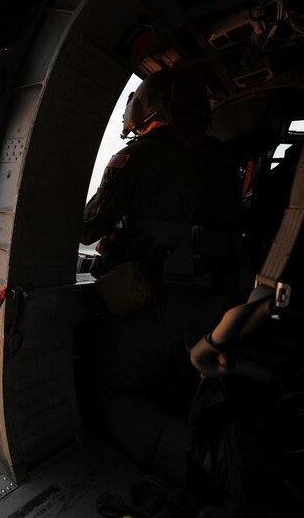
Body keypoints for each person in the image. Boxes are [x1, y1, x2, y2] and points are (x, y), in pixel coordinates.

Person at [79, 67, 243, 490]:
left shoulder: (137, 157)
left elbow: (87, 228)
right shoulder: (224, 162)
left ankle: (202, 461)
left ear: (148, 108)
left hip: (152, 308)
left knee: (111, 394)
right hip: (212, 310)